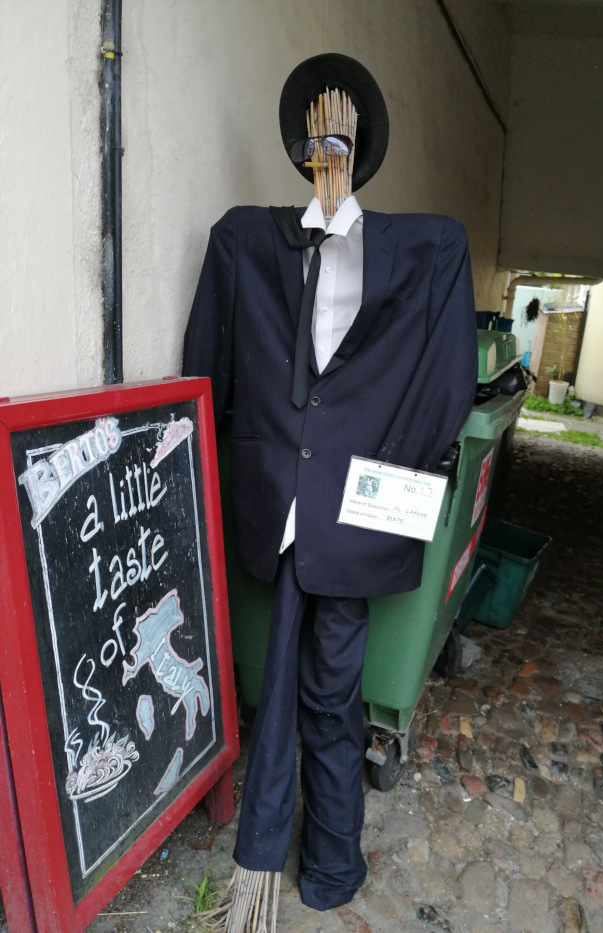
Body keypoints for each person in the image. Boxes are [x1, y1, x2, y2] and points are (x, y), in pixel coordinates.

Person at [183, 53, 478, 928]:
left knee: (327, 689)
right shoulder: (245, 241)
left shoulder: (425, 252)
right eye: (316, 134)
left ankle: (328, 862)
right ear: (303, 148)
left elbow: (446, 385)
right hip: (277, 510)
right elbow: (208, 366)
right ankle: (288, 865)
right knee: (280, 679)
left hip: (354, 517)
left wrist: (393, 470)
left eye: (341, 132)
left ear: (360, 147)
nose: (329, 147)